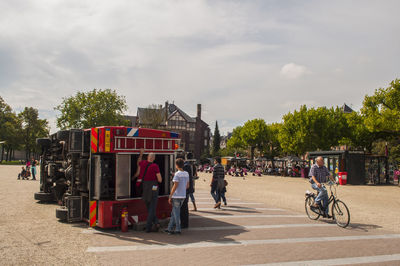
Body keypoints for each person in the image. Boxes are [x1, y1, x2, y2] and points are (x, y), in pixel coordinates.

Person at [133, 149, 162, 233]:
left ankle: (156, 222)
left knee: (149, 207)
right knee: (152, 207)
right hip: (153, 187)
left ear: (148, 157)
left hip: (145, 187)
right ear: (154, 158)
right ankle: (148, 227)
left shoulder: (143, 163)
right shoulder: (155, 166)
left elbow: (139, 161)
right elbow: (159, 179)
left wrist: (141, 154)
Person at [166, 158, 189, 235]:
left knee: (176, 213)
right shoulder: (186, 173)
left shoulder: (177, 174)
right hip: (183, 195)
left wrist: (170, 195)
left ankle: (178, 229)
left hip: (176, 196)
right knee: (174, 212)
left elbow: (175, 186)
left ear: (176, 165)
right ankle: (169, 228)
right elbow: (187, 185)